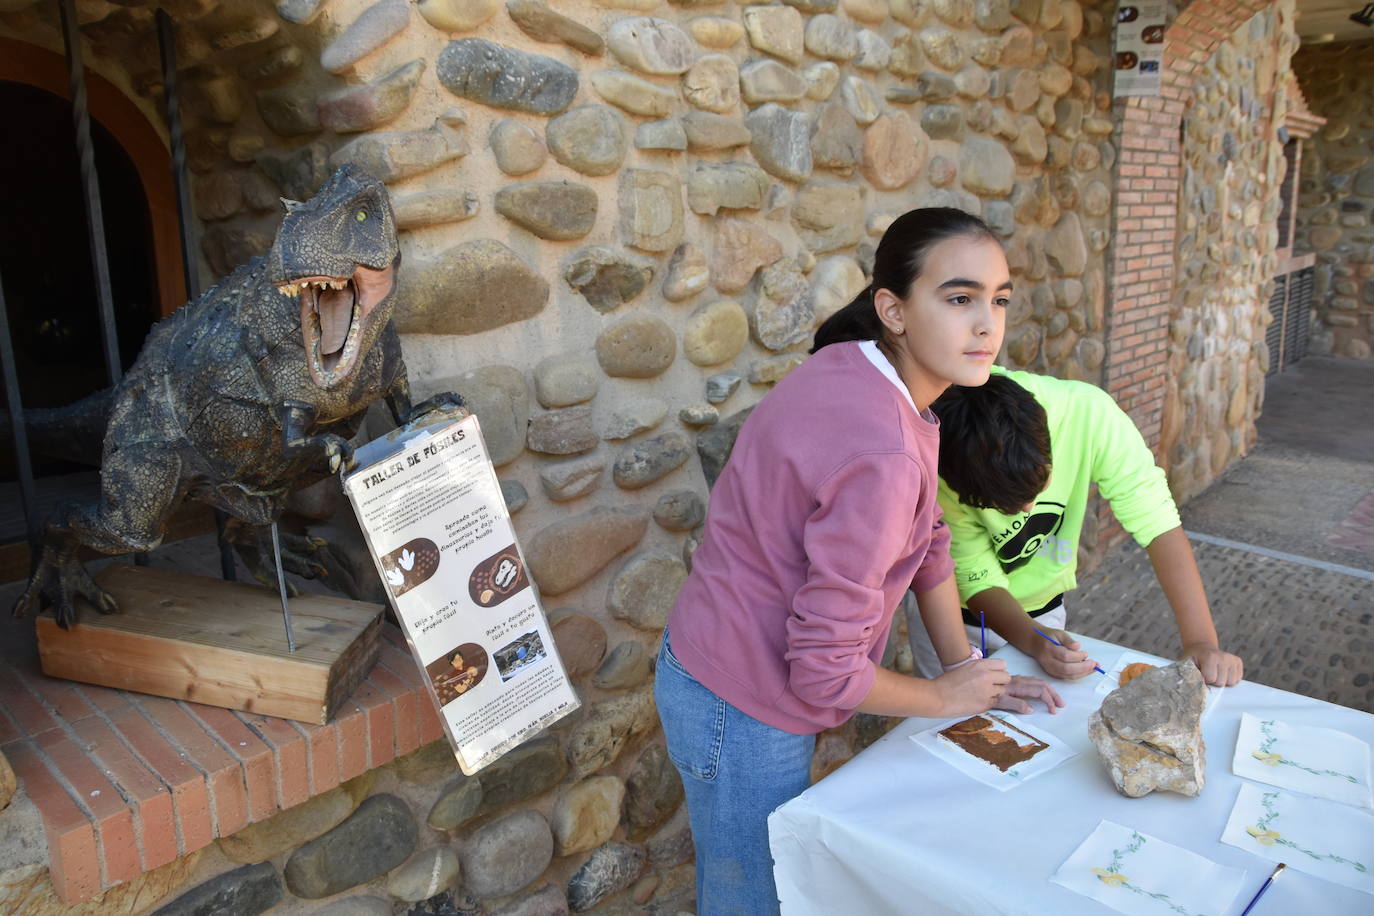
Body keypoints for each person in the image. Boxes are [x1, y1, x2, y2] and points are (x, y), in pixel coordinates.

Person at [656, 208, 1064, 916]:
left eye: (999, 300)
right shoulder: (885, 444)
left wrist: (962, 668)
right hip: (742, 703)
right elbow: (824, 669)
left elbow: (929, 540)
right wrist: (942, 697)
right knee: (752, 901)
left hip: (720, 671)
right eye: (959, 298)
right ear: (893, 309)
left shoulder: (867, 372)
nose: (986, 325)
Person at [905, 369, 1244, 687]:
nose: (1026, 510)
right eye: (997, 506)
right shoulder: (936, 451)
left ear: (1048, 448)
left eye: (1036, 491)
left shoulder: (1090, 414)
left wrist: (1200, 641)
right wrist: (1033, 639)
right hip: (950, 617)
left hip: (1044, 611)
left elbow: (1158, 523)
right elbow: (975, 578)